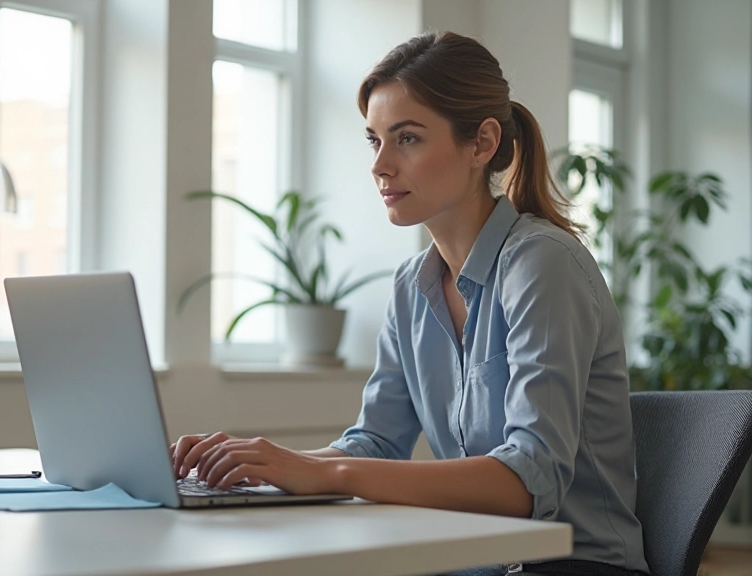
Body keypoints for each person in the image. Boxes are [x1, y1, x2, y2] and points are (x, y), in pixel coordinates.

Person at [173, 31, 649, 576]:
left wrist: (324, 473)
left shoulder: (543, 263)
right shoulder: (411, 286)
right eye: (374, 140)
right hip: (475, 559)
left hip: (572, 565)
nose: (380, 165)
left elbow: (527, 481)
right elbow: (376, 442)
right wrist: (264, 467)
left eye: (408, 139)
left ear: (482, 143)